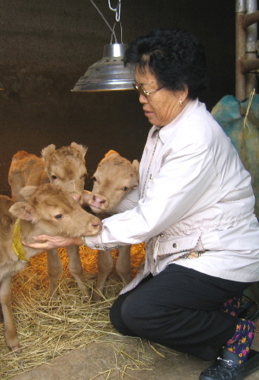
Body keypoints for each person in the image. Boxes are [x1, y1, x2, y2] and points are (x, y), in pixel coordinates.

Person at [24, 29, 259, 380]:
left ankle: (239, 337)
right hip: (190, 246)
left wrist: (80, 237)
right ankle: (230, 310)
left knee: (142, 314)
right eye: (139, 89)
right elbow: (155, 198)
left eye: (148, 90)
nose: (141, 99)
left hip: (220, 249)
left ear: (181, 90)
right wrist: (98, 200)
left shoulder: (196, 138)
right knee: (123, 316)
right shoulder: (165, 128)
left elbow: (150, 218)